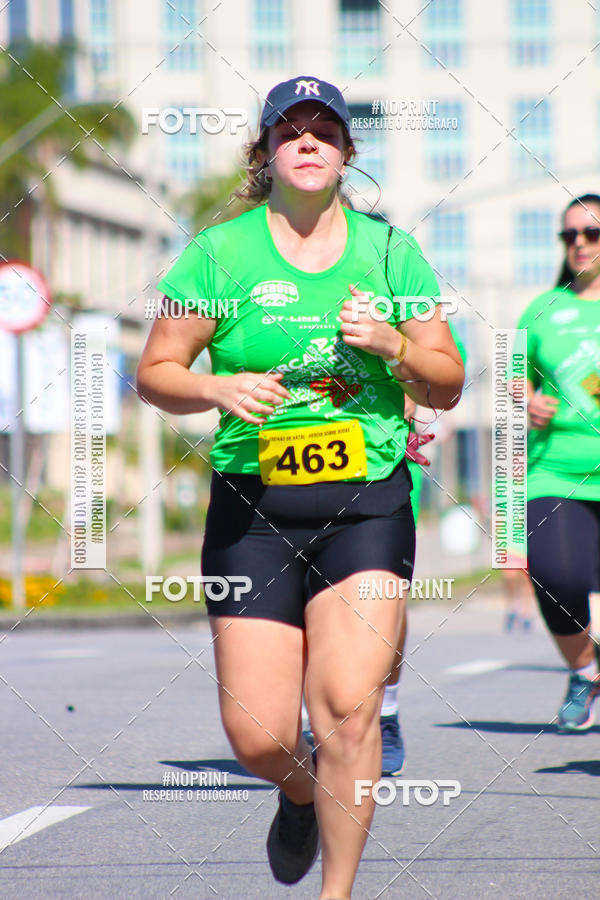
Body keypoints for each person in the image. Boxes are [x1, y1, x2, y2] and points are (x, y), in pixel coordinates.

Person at [136, 75, 464, 899]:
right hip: (253, 509)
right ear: (267, 152)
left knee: (350, 707)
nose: (309, 141)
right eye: (291, 130)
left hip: (367, 501)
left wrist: (393, 343)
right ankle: (295, 791)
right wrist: (215, 390)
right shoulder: (218, 253)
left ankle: (338, 893)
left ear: (348, 152)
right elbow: (156, 372)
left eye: (326, 130)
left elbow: (447, 379)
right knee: (255, 734)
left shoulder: (393, 253)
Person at [518, 193, 600, 732]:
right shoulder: (541, 310)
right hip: (556, 470)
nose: (579, 244)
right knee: (553, 573)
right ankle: (585, 669)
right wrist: (522, 399)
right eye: (569, 235)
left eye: (591, 234)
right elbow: (506, 377)